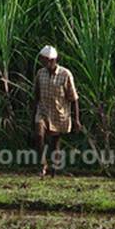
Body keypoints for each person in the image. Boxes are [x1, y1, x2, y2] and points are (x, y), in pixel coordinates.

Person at [32, 45, 81, 177]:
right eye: (41, 60)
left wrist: (76, 119)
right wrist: (33, 114)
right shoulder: (40, 74)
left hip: (59, 114)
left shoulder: (65, 74)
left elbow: (74, 98)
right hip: (43, 111)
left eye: (45, 60)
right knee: (39, 135)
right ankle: (42, 165)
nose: (43, 63)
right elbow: (36, 95)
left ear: (52, 60)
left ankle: (54, 169)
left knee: (55, 144)